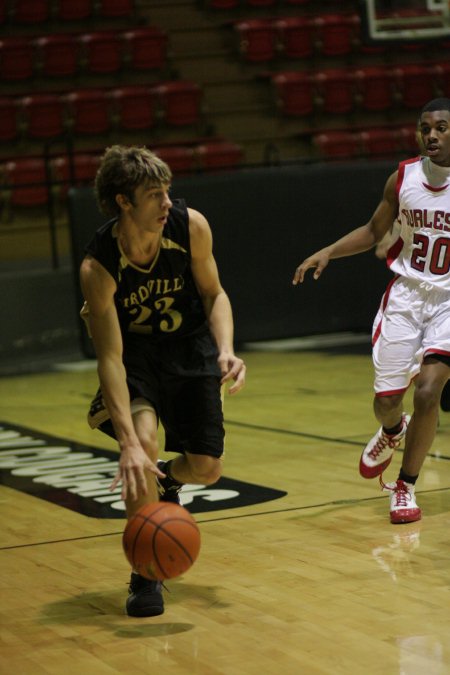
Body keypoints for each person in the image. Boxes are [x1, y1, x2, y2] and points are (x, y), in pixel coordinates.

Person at [79, 145, 246, 617]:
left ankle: (168, 481)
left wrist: (227, 348)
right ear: (122, 202)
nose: (167, 202)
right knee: (143, 446)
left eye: (167, 191)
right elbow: (110, 357)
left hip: (190, 346)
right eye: (154, 195)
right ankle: (144, 573)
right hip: (137, 357)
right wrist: (129, 443)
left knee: (207, 467)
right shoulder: (99, 265)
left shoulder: (190, 226)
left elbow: (215, 294)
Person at [292, 98, 450, 525]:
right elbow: (373, 231)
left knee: (429, 391)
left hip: (449, 303)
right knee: (387, 401)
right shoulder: (403, 177)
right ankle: (392, 429)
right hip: (406, 295)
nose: (431, 135)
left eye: (440, 127)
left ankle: (405, 486)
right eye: (425, 128)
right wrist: (329, 252)